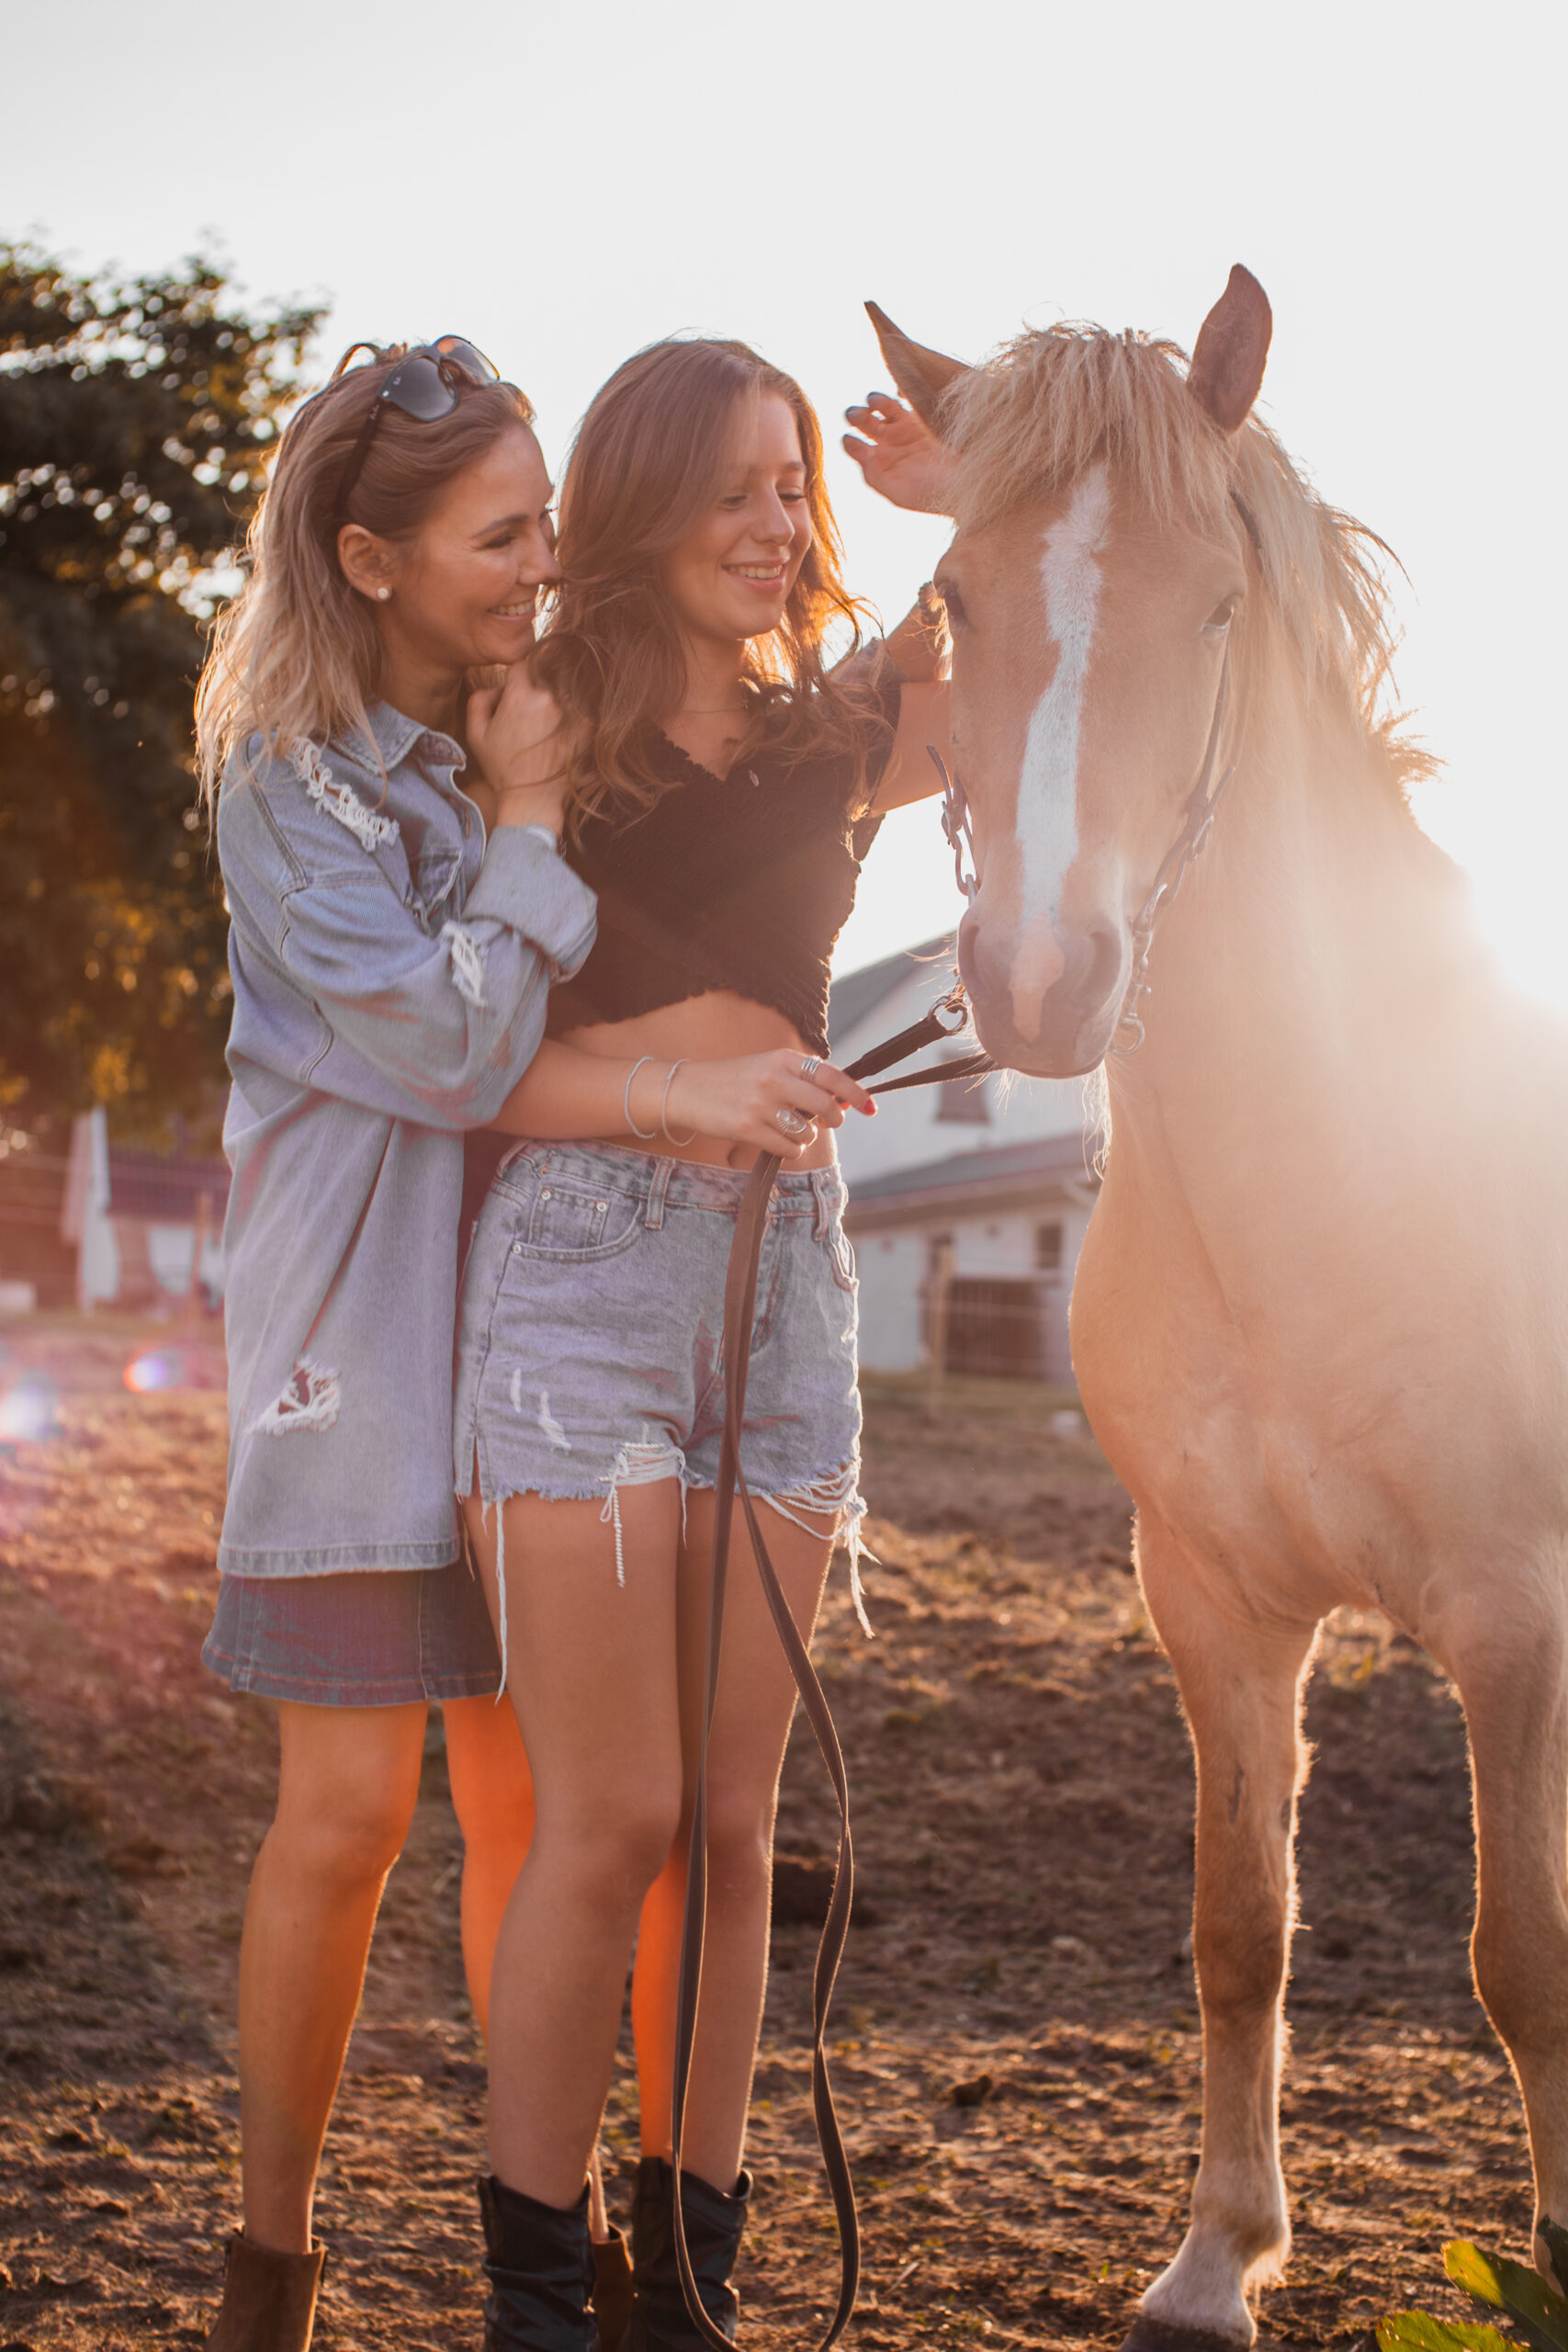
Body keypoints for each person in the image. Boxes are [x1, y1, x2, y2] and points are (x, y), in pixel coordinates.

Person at [452, 336, 950, 2350]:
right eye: (733, 485)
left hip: (786, 1282)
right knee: (618, 1819)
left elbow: (1058, 622)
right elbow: (469, 1069)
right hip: (576, 1272)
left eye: (791, 483)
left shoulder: (844, 727)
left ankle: (688, 2291)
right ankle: (534, 2301)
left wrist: (957, 499)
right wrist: (681, 1086)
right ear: (644, 498)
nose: (772, 521)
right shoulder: (530, 720)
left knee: (738, 1828)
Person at [192, 338, 597, 2352]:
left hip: (541, 1344)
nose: (540, 566)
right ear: (371, 558)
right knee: (349, 1818)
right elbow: (447, 1049)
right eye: (499, 536)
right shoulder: (286, 787)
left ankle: (547, 2232)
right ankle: (270, 2264)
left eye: (547, 524)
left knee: (535, 1822)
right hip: (353, 1347)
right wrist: (527, 815)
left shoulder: (555, 709)